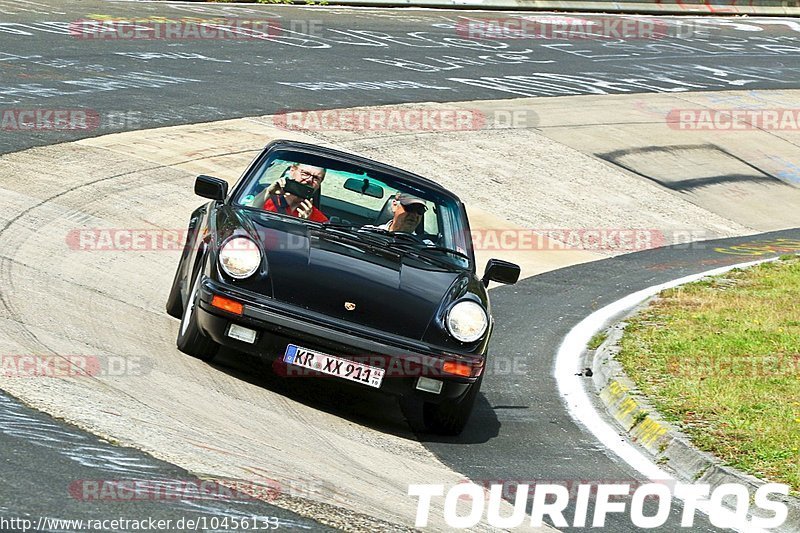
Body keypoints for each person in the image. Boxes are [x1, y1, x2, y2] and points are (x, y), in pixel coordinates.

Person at [255, 163, 328, 222]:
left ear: (319, 184)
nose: (309, 180)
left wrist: (306, 224)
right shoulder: (265, 199)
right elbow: (245, 215)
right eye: (305, 173)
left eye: (316, 178)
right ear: (292, 170)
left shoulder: (320, 220)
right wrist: (268, 192)